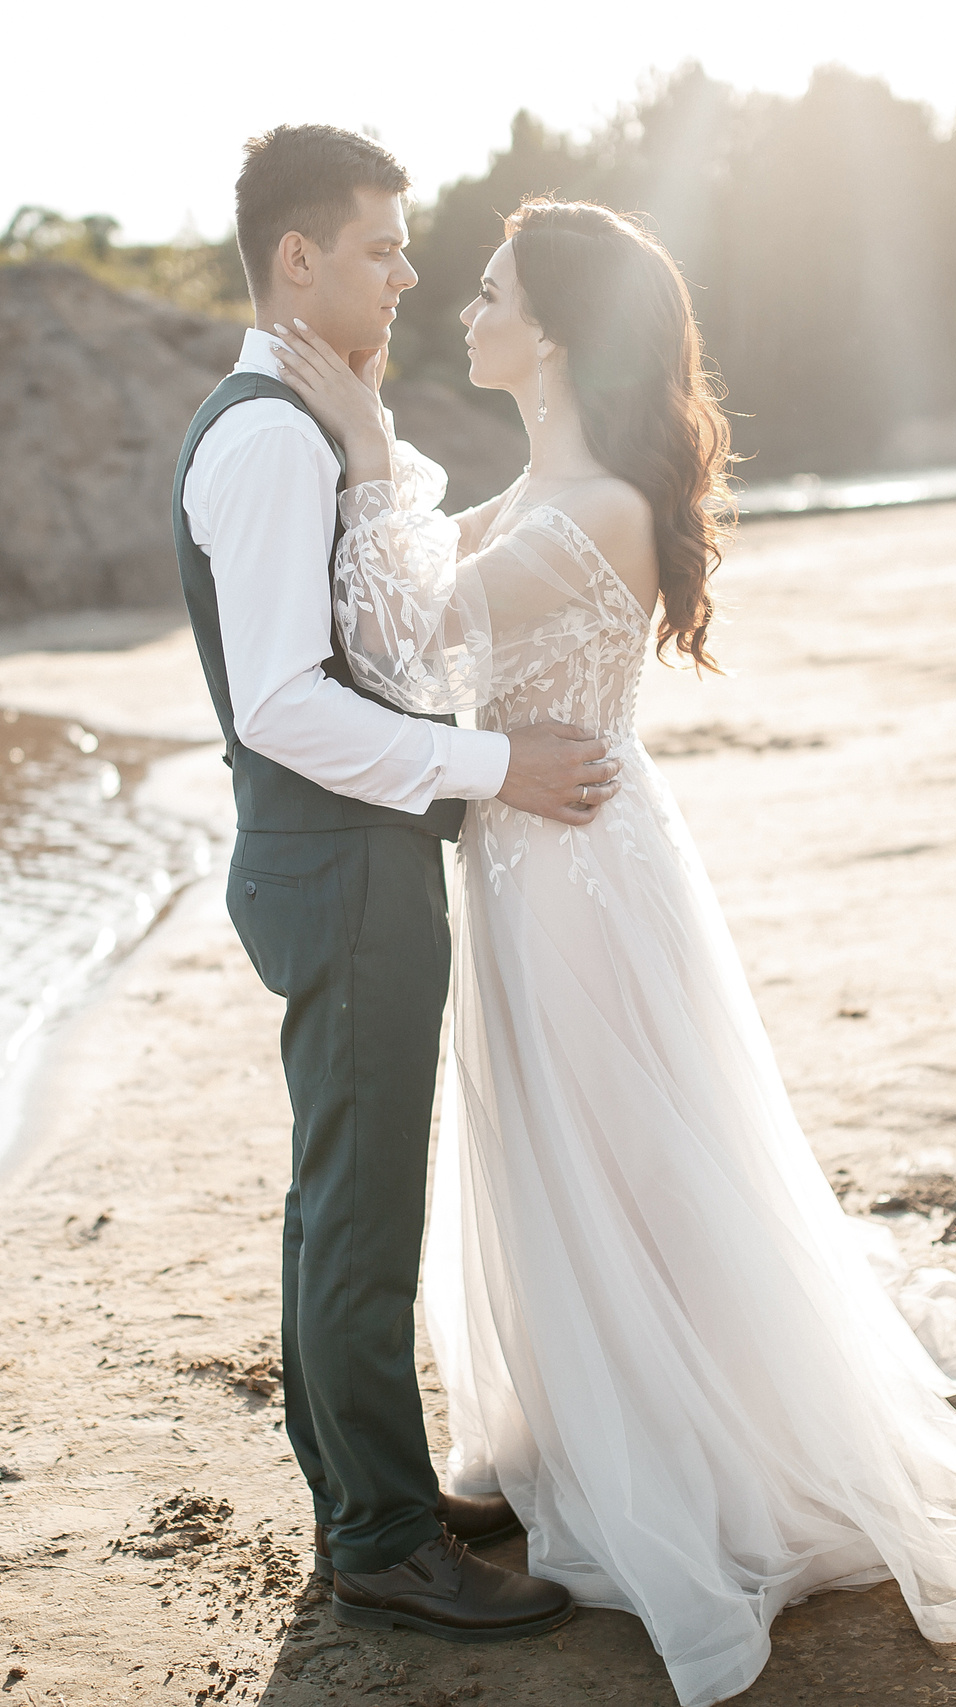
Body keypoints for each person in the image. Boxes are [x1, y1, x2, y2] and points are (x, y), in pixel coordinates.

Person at [268, 197, 956, 1705]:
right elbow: (406, 609)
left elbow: (394, 630)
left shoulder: (590, 516)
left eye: (496, 290)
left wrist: (369, 445)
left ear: (562, 332)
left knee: (619, 1161)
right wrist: (369, 459)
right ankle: (601, 1422)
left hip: (577, 877)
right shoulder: (547, 487)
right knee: (573, 1154)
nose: (465, 308)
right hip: (539, 864)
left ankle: (693, 1456)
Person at [171, 125, 612, 1644]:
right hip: (338, 866)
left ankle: (380, 1503)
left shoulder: (308, 421)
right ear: (298, 259)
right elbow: (283, 703)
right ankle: (378, 1538)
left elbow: (388, 619)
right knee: (359, 1215)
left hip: (347, 857)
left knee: (342, 1202)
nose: (410, 273)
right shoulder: (266, 437)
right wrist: (496, 765)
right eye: (381, 246)